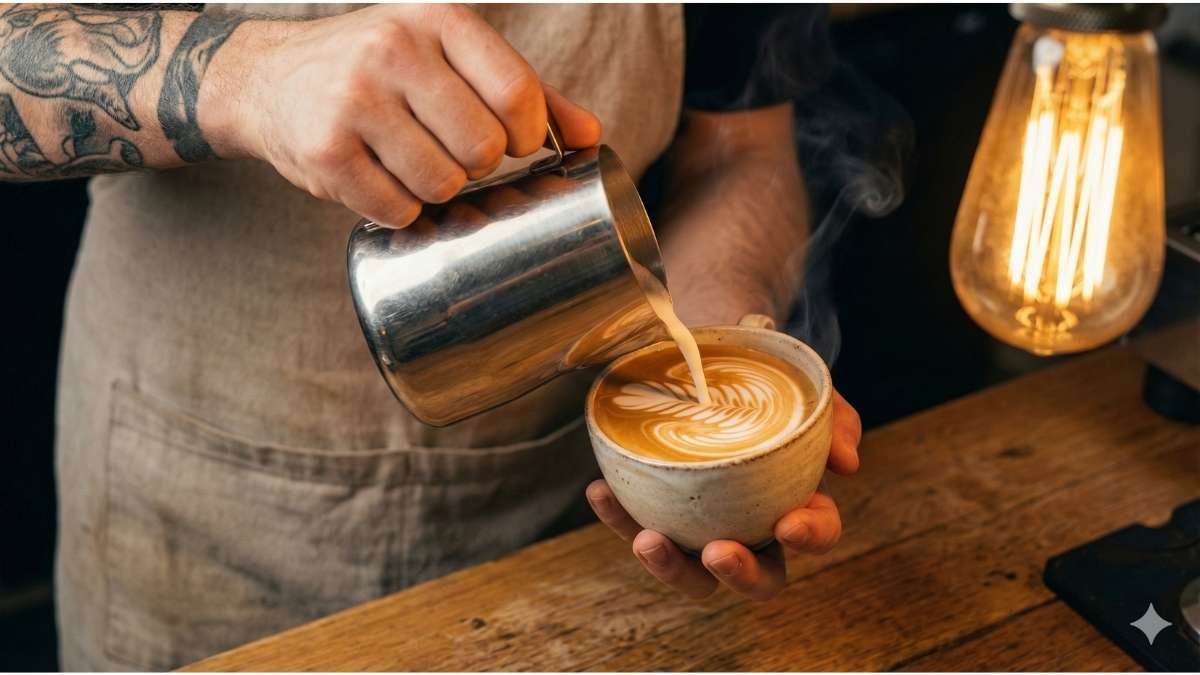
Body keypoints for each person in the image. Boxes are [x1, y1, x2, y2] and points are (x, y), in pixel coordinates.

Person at [0, 2, 861, 669]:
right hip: (205, 520)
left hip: (573, 520)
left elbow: (739, 147)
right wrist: (249, 75)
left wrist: (714, 373)